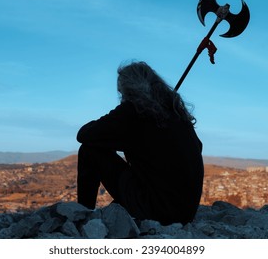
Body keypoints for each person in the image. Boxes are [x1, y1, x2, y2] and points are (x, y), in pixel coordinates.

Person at [76, 61, 204, 225]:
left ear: (128, 89)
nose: (121, 96)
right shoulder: (175, 112)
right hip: (185, 213)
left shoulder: (133, 111)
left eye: (121, 92)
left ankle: (82, 215)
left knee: (89, 151)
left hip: (157, 211)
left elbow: (85, 135)